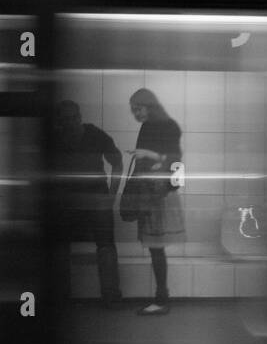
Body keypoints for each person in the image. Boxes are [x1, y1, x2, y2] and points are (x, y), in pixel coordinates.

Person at [54, 100, 124, 308]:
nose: (71, 123)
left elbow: (118, 162)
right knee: (63, 249)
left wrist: (111, 195)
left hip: (94, 199)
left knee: (105, 248)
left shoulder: (94, 134)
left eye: (74, 118)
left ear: (80, 117)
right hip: (70, 201)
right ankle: (65, 298)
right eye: (67, 119)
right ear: (60, 121)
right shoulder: (57, 138)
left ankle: (110, 297)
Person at [128, 88, 185, 316]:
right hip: (149, 193)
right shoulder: (152, 126)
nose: (135, 114)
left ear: (149, 106)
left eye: (137, 108)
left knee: (156, 248)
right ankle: (161, 298)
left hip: (157, 195)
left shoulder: (168, 126)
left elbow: (176, 162)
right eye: (133, 110)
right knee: (155, 248)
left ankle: (161, 299)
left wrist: (148, 156)